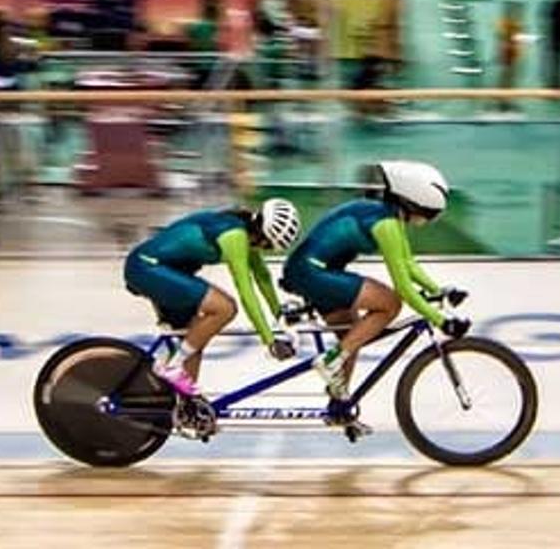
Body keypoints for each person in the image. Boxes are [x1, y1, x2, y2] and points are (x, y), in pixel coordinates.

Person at [281, 161, 468, 418]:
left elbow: (408, 264)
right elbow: (402, 287)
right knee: (389, 303)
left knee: (353, 336)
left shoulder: (389, 216)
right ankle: (331, 360)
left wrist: (439, 291)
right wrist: (441, 321)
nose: (431, 220)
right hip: (313, 272)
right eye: (432, 213)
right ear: (419, 202)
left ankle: (339, 405)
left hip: (313, 270)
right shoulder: (386, 224)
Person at [125, 198, 303, 397]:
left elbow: (262, 277)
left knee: (194, 341)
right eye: (268, 246)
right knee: (225, 308)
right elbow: (246, 291)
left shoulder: (245, 232)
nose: (264, 250)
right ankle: (171, 366)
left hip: (159, 269)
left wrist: (280, 316)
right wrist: (269, 341)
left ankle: (188, 410)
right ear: (262, 236)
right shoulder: (235, 237)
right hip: (147, 267)